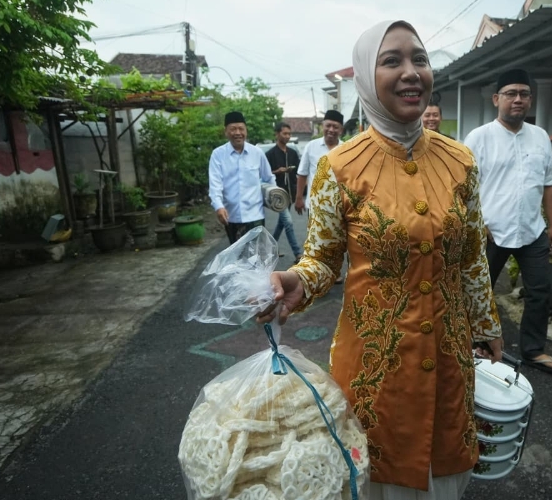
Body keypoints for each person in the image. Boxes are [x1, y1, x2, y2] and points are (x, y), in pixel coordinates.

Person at [258, 20, 503, 500]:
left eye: (420, 59)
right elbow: (323, 258)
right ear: (368, 79)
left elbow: (472, 254)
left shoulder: (461, 162)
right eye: (392, 61)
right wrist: (298, 281)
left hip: (449, 357)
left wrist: (486, 324)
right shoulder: (338, 167)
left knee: (443, 472)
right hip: (375, 367)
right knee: (376, 478)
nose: (411, 72)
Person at [464, 69, 552, 375]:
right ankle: (476, 346)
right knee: (479, 292)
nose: (518, 99)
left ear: (531, 100)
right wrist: (476, 224)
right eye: (511, 94)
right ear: (497, 99)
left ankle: (533, 350)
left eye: (524, 94)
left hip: (532, 231)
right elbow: (463, 188)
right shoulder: (479, 138)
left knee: (539, 292)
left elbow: (549, 184)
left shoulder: (540, 137)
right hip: (490, 232)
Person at [208, 111, 275, 244]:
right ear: (226, 132)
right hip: (231, 216)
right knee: (237, 254)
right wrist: (218, 206)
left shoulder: (257, 153)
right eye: (233, 129)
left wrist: (274, 197)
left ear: (246, 131)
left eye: (241, 129)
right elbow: (215, 184)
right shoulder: (218, 155)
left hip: (255, 215)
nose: (237, 132)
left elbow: (269, 178)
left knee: (257, 253)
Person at [264, 122, 303, 263]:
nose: (287, 136)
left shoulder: (292, 153)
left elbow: (300, 171)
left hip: (290, 192)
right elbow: (264, 175)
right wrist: (277, 171)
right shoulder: (270, 154)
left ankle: (270, 248)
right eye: (284, 133)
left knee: (282, 223)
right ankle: (297, 253)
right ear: (277, 134)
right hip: (277, 195)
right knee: (288, 222)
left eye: (289, 134)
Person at [294, 110, 344, 217]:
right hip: (315, 206)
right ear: (322, 126)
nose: (331, 130)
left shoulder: (346, 149)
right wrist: (298, 198)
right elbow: (302, 174)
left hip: (339, 207)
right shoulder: (311, 146)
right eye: (328, 126)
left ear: (341, 130)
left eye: (335, 127)